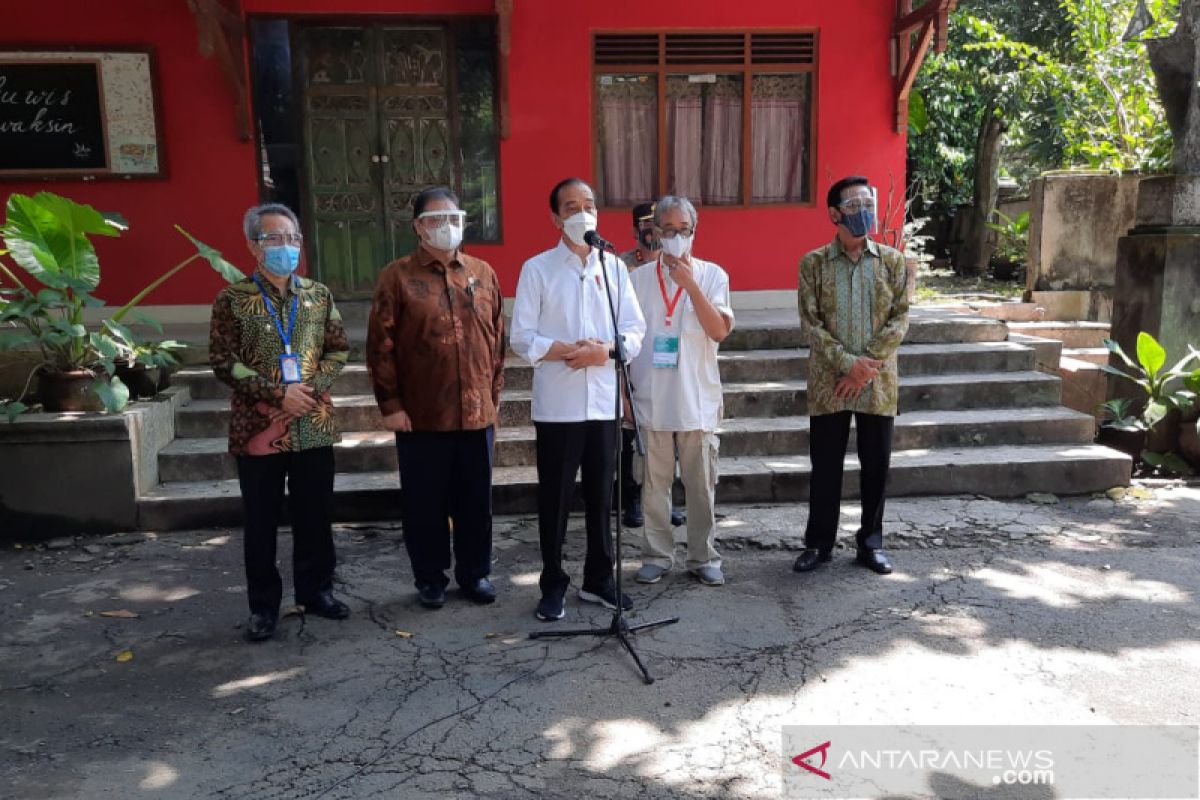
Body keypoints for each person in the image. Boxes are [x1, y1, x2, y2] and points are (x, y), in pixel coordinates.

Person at [209, 203, 351, 641]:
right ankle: (264, 606)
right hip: (258, 430)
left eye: (293, 239)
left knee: (315, 514)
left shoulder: (318, 295)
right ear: (253, 245)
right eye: (274, 239)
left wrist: (308, 390)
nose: (286, 248)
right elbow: (222, 362)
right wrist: (277, 394)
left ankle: (317, 592)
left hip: (313, 423)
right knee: (261, 520)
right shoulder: (232, 300)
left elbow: (339, 349)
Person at [510, 178, 646, 621]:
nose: (581, 213)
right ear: (556, 218)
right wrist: (573, 351)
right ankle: (552, 582)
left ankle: (599, 579)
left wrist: (603, 352)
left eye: (588, 204)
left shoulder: (614, 267)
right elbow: (522, 337)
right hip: (559, 406)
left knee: (602, 495)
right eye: (571, 206)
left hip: (604, 403)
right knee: (556, 497)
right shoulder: (538, 269)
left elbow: (634, 330)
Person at [365, 187, 506, 610]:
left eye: (454, 218)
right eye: (436, 219)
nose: (446, 227)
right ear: (418, 226)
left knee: (475, 501)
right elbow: (380, 345)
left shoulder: (481, 272)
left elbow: (497, 341)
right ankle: (430, 578)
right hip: (421, 415)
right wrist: (391, 406)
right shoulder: (397, 276)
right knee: (424, 503)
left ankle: (475, 573)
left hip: (476, 412)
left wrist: (493, 398)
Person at [793, 176, 910, 576]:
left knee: (876, 465)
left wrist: (865, 368)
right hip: (830, 382)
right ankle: (819, 543)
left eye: (869, 202)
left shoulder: (893, 262)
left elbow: (900, 319)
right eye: (856, 204)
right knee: (826, 466)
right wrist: (847, 365)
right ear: (834, 214)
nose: (865, 211)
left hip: (878, 383)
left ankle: (871, 543)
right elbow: (811, 324)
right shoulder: (813, 264)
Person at [627, 196, 734, 587]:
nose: (673, 238)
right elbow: (628, 343)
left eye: (681, 231)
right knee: (653, 486)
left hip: (697, 401)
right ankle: (656, 554)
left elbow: (719, 330)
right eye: (666, 230)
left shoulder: (713, 275)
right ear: (653, 232)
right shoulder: (636, 279)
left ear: (695, 231)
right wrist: (626, 398)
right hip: (650, 400)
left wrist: (690, 286)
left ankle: (703, 555)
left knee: (701, 485)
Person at [615, 202, 685, 530]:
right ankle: (632, 499)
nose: (655, 233)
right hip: (633, 361)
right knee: (631, 439)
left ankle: (663, 499)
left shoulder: (680, 265)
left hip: (669, 364)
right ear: (637, 231)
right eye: (647, 226)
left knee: (666, 438)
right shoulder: (621, 267)